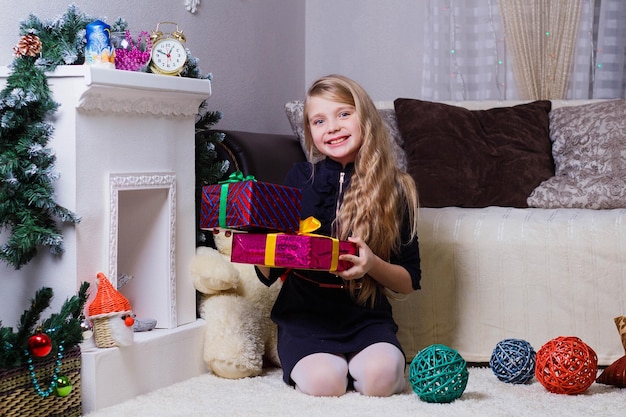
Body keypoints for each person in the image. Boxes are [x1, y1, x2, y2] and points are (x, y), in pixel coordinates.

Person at [256, 74, 421, 397]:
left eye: (344, 114)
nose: (331, 127)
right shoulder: (298, 178)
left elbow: (408, 280)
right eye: (319, 121)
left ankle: (361, 364)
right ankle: (322, 363)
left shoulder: (397, 187)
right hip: (304, 316)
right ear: (310, 132)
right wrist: (255, 243)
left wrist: (372, 263)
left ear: (366, 118)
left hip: (366, 318)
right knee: (325, 383)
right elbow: (268, 274)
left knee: (381, 379)